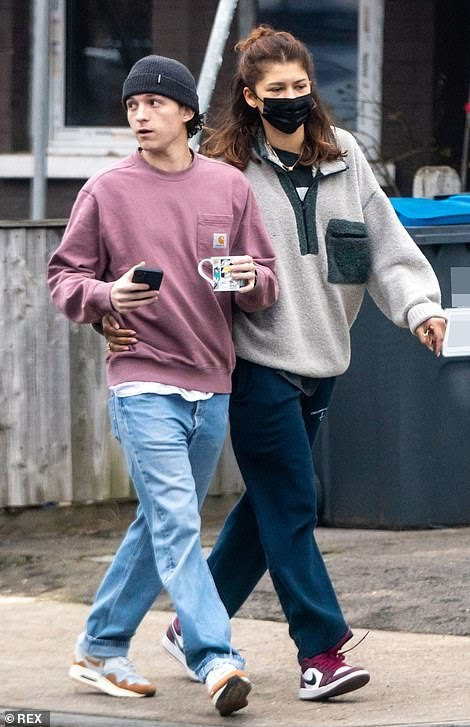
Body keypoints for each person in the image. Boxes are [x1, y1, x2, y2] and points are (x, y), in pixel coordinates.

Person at [101, 27, 447, 703]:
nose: (292, 98)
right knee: (293, 500)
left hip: (323, 360)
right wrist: (117, 314)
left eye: (301, 86)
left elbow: (385, 244)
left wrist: (420, 308)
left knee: (269, 504)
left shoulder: (343, 156)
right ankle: (320, 652)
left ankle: (193, 622)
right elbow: (172, 254)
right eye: (277, 89)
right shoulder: (222, 169)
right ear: (252, 97)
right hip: (254, 363)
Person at [47, 53, 278, 716]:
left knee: (160, 522)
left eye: (152, 103)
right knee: (178, 522)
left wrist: (247, 278)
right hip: (142, 378)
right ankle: (215, 657)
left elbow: (266, 281)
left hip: (213, 381)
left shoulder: (228, 188)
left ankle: (100, 647)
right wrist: (105, 296)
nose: (140, 115)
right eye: (131, 106)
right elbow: (64, 277)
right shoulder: (106, 190)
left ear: (186, 112)